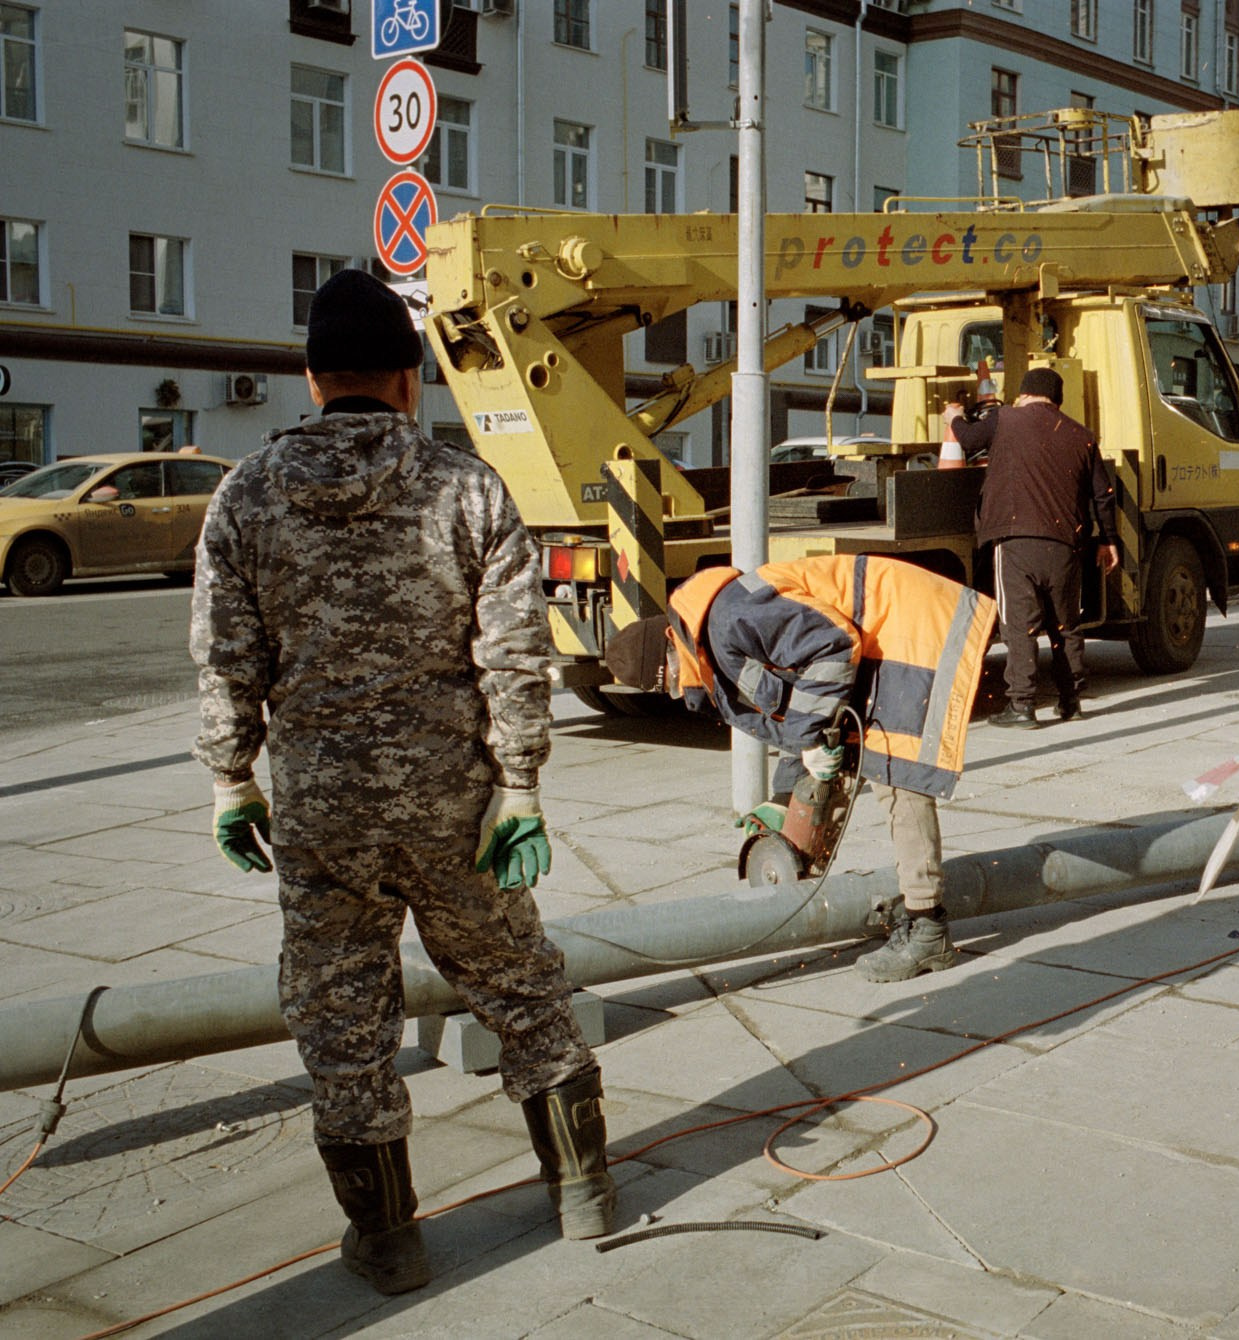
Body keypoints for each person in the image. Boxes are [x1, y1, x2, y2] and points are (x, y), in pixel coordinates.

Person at [189, 271, 614, 1296]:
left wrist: (230, 778)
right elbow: (513, 651)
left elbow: (224, 655)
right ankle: (584, 1194)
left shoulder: (245, 492)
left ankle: (387, 1240)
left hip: (322, 805)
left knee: (340, 1015)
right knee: (519, 983)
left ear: (309, 375)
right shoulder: (468, 486)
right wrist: (519, 784)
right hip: (455, 804)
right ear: (410, 379)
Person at [605, 555, 996, 982]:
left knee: (896, 774)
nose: (679, 691)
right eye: (668, 688)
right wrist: (784, 794)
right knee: (845, 754)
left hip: (909, 628)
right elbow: (790, 702)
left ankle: (928, 931)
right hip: (878, 637)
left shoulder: (728, 622)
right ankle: (894, 906)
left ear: (670, 639)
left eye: (672, 677)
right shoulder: (711, 642)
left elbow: (834, 645)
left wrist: (810, 738)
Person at [946, 366, 1119, 728]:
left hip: (1015, 541)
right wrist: (1108, 540)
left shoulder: (1004, 418)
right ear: (1057, 400)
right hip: (1066, 545)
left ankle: (1022, 705)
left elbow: (967, 439)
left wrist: (954, 417)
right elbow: (1103, 495)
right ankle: (1070, 700)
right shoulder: (1081, 434)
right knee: (1065, 623)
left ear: (1024, 394)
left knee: (1019, 625)